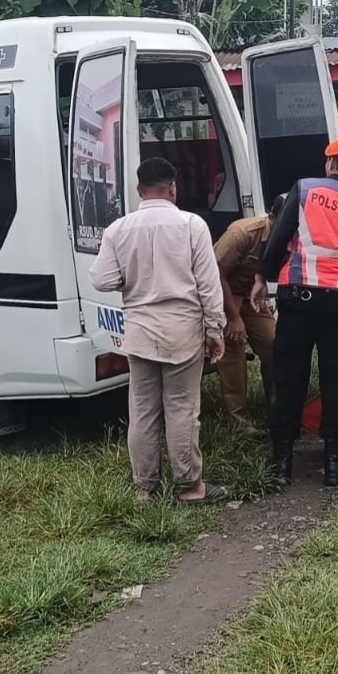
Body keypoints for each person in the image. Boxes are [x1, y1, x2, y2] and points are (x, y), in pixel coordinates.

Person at [89, 157, 228, 504]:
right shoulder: (192, 225)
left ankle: (144, 488)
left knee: (143, 409)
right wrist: (215, 329)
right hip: (181, 330)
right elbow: (209, 286)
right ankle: (189, 487)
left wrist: (128, 281)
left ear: (139, 191)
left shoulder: (118, 229)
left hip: (139, 331)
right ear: (173, 187)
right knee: (181, 408)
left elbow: (100, 278)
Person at [255, 137, 338, 487]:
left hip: (298, 295)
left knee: (290, 374)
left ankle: (281, 462)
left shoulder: (305, 189)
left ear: (330, 163)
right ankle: (335, 463)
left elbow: (279, 237)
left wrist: (260, 277)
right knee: (336, 378)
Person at [213, 194, 286, 424]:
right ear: (271, 218)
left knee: (274, 345)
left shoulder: (293, 236)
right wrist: (233, 318)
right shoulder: (243, 233)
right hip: (223, 294)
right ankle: (239, 420)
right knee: (233, 345)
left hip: (252, 295)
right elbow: (216, 275)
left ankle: (277, 411)